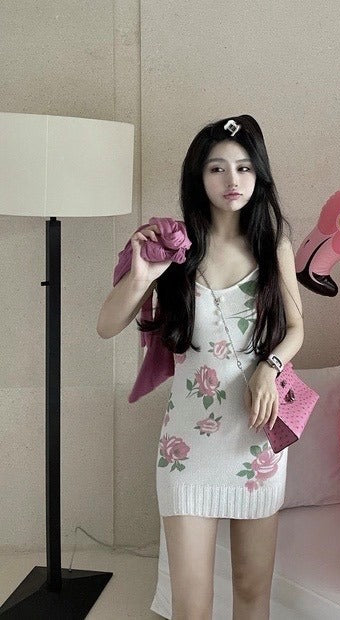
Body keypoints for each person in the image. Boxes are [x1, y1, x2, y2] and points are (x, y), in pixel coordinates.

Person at [96, 114, 304, 620]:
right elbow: (106, 325)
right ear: (199, 176)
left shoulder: (272, 244)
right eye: (217, 168)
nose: (232, 180)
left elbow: (296, 328)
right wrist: (142, 275)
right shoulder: (175, 247)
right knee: (191, 606)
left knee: (252, 593)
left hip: (255, 445)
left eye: (244, 168)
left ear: (259, 175)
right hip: (186, 448)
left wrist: (269, 367)